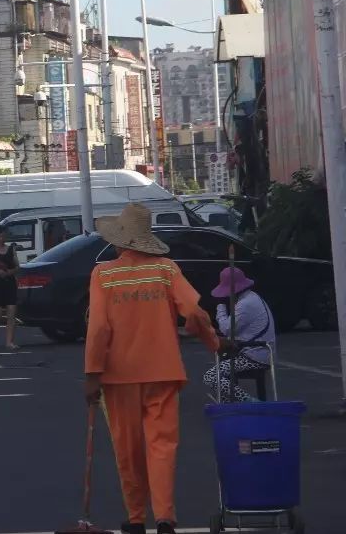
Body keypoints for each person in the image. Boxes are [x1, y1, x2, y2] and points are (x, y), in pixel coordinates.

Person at [84, 203, 220, 534]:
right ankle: (164, 517)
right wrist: (216, 344)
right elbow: (195, 313)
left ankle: (134, 518)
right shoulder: (165, 269)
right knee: (162, 447)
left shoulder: (104, 274)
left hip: (119, 375)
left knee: (127, 449)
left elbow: (99, 328)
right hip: (163, 371)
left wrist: (92, 373)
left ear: (120, 242)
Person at [204, 268, 276, 403]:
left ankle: (249, 401)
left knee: (212, 376)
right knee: (222, 365)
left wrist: (220, 307)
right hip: (257, 351)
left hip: (254, 356)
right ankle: (230, 403)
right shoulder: (252, 297)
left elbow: (227, 329)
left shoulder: (245, 304)